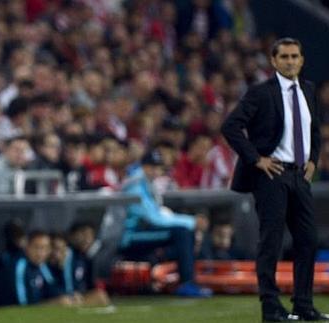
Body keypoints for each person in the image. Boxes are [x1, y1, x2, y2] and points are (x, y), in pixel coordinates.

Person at [221, 37, 326, 322]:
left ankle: (303, 304)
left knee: (307, 239)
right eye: (285, 57)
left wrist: (313, 160)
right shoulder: (260, 93)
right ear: (274, 61)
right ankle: (270, 306)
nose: (290, 61)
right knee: (272, 242)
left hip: (299, 175)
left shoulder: (308, 89)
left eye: (295, 56)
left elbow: (315, 130)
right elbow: (230, 126)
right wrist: (257, 159)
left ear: (302, 60)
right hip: (272, 175)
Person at [119, 150, 212, 297]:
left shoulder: (146, 183)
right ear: (144, 166)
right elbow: (153, 218)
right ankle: (186, 283)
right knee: (182, 232)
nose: (155, 171)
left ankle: (185, 276)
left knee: (185, 233)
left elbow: (158, 214)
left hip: (145, 230)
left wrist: (191, 222)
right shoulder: (135, 185)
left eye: (158, 167)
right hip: (131, 235)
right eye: (151, 166)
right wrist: (192, 221)